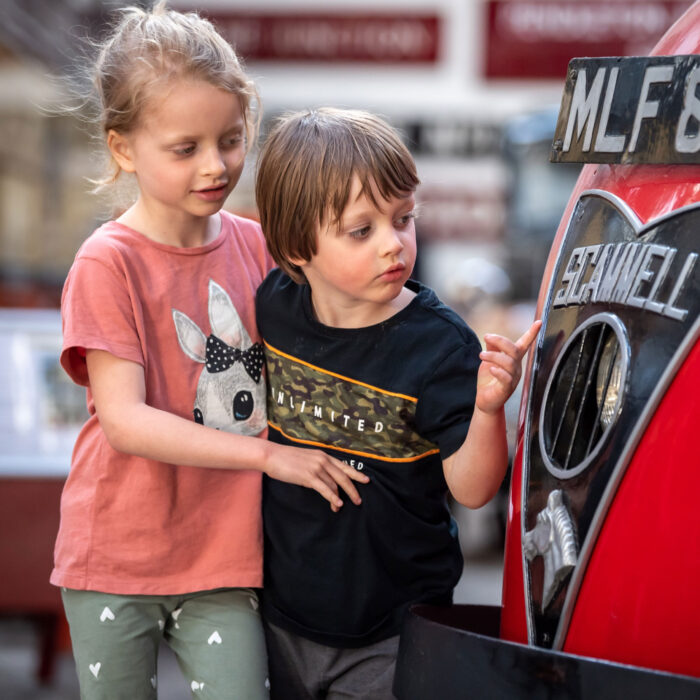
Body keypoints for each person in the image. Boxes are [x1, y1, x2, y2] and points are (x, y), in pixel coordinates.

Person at [52, 7, 367, 699]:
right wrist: (269, 456)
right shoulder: (107, 262)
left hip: (227, 560)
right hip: (114, 560)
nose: (216, 164)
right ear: (124, 148)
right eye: (185, 147)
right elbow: (126, 422)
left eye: (230, 139)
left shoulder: (256, 247)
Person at [254, 107, 541, 699]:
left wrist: (489, 410)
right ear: (295, 248)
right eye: (362, 230)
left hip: (395, 630)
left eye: (404, 219)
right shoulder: (272, 306)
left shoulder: (439, 346)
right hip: (276, 614)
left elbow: (472, 490)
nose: (394, 244)